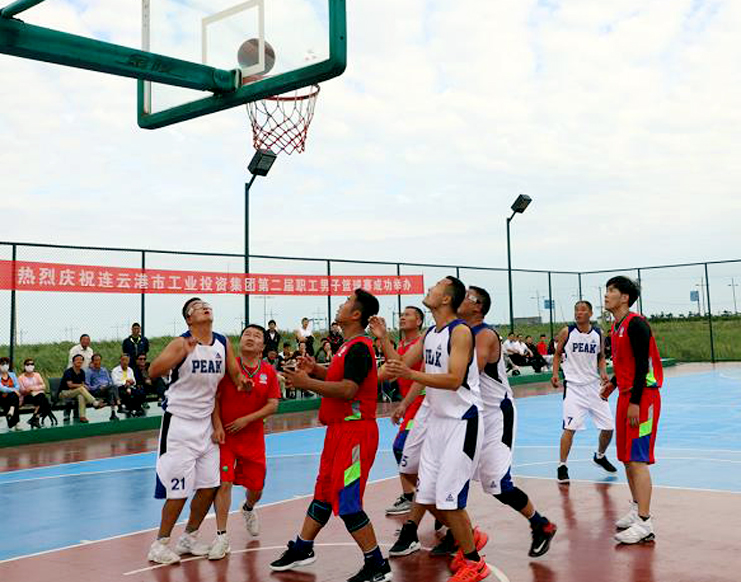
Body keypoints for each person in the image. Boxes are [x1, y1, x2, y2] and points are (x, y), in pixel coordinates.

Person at [371, 277, 489, 582]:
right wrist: (384, 340)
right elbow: (400, 364)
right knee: (430, 494)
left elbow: (454, 379)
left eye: (436, 286)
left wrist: (412, 374)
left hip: (461, 422)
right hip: (438, 422)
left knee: (449, 496)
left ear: (446, 298)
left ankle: (474, 562)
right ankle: (469, 540)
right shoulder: (430, 334)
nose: (429, 289)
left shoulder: (459, 332)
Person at [270, 289, 392, 582]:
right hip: (339, 432)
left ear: (356, 314)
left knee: (348, 501)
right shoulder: (346, 347)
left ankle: (377, 564)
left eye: (347, 302)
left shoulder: (360, 347)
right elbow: (339, 378)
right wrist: (315, 369)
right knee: (324, 491)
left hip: (356, 434)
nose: (341, 304)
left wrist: (307, 382)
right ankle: (303, 547)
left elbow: (349, 390)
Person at [456, 286, 557, 562]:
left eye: (466, 296)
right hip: (470, 414)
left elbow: (469, 372)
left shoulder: (484, 334)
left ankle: (541, 525)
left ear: (477, 307)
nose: (460, 298)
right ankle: (456, 532)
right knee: (451, 473)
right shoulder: (459, 332)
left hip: (495, 414)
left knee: (498, 484)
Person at [146, 297, 246, 565]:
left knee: (209, 486)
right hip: (179, 424)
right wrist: (180, 354)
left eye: (206, 304)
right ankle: (159, 544)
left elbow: (235, 376)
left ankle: (189, 537)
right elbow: (153, 370)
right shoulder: (181, 343)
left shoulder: (222, 343)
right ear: (189, 319)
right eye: (197, 306)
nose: (204, 307)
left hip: (206, 426)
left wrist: (244, 383)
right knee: (178, 491)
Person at [208, 324, 281, 560]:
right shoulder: (228, 368)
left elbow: (273, 404)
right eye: (246, 334)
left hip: (253, 438)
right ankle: (221, 536)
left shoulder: (268, 372)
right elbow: (215, 398)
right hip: (227, 437)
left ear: (263, 347)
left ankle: (248, 508)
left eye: (256, 336)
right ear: (239, 342)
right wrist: (218, 426)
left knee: (256, 488)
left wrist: (246, 420)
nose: (250, 338)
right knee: (224, 483)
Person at [601, 276, 663, 545]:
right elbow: (626, 364)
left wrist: (636, 402)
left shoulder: (636, 324)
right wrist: (613, 384)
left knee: (638, 459)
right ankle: (637, 509)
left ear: (625, 297)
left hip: (643, 398)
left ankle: (645, 523)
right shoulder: (616, 327)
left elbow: (642, 366)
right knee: (627, 458)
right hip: (627, 396)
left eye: (611, 290)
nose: (606, 295)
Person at [551, 301, 617, 484]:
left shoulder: (598, 333)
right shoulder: (567, 332)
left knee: (609, 427)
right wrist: (555, 373)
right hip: (573, 387)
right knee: (570, 428)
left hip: (594, 386)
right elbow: (557, 354)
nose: (578, 313)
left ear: (590, 313)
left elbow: (601, 356)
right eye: (576, 310)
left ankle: (600, 455)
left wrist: (603, 372)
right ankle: (562, 466)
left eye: (582, 310)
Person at [381, 305, 425, 517]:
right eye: (401, 315)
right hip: (410, 404)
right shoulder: (401, 345)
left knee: (401, 447)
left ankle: (419, 495)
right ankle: (415, 496)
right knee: (409, 452)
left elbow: (401, 366)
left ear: (419, 321)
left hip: (422, 403)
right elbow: (393, 369)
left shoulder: (421, 343)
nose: (402, 317)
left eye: (407, 315)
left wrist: (383, 337)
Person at [59, 354, 104, 423]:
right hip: (64, 393)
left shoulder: (82, 372)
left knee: (81, 395)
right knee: (81, 389)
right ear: (73, 362)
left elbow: (82, 384)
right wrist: (82, 386)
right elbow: (70, 385)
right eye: (77, 360)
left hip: (76, 392)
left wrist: (85, 387)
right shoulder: (68, 372)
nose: (79, 361)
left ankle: (82, 416)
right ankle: (95, 402)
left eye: (81, 360)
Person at [18, 358, 55, 428]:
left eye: (32, 364)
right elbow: (22, 391)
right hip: (27, 397)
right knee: (44, 400)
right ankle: (35, 418)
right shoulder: (21, 378)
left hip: (38, 396)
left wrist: (32, 388)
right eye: (28, 364)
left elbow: (43, 386)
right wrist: (31, 390)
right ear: (24, 366)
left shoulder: (37, 375)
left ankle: (35, 417)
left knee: (41, 397)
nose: (30, 366)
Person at [86, 353, 122, 421]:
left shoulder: (104, 370)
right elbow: (87, 385)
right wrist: (98, 386)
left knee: (111, 391)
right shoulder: (89, 372)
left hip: (108, 388)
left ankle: (113, 413)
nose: (98, 362)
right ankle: (119, 405)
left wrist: (107, 385)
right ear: (92, 362)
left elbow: (110, 380)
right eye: (96, 360)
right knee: (113, 387)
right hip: (97, 390)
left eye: (99, 360)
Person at [0, 357, 22, 430]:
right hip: (1, 397)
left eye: (7, 364)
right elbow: (2, 388)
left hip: (11, 397)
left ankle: (11, 411)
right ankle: (17, 423)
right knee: (14, 396)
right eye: (3, 364)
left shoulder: (12, 374)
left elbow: (17, 386)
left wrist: (13, 390)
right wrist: (13, 390)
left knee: (14, 396)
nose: (5, 365)